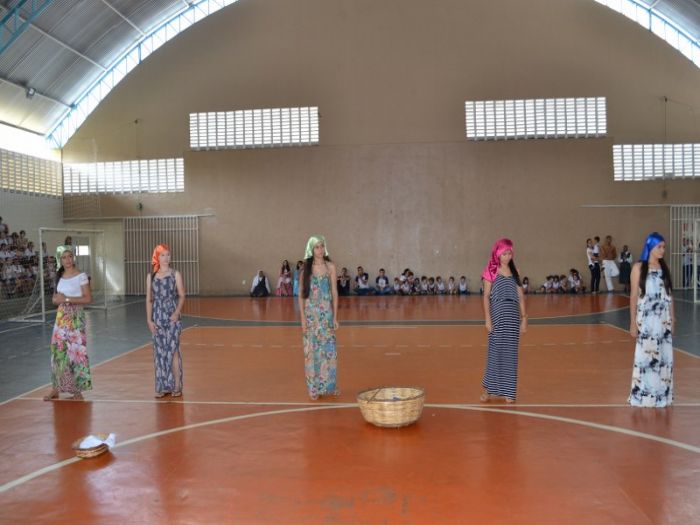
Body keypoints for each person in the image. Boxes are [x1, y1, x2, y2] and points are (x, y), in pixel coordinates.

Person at [629, 232, 674, 408]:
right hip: (647, 321)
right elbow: (634, 296)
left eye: (664, 247)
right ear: (650, 247)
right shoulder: (639, 268)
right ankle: (645, 395)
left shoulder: (664, 268)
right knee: (646, 358)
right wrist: (633, 322)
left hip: (664, 321)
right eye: (659, 247)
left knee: (663, 358)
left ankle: (662, 395)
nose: (662, 250)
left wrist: (673, 318)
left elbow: (669, 295)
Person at [480, 238, 527, 404]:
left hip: (512, 317)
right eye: (504, 254)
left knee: (510, 355)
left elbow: (520, 296)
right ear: (498, 254)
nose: (507, 257)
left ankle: (509, 391)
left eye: (509, 253)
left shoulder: (515, 272)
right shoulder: (491, 271)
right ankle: (488, 391)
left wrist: (524, 318)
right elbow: (486, 297)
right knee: (495, 353)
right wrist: (487, 319)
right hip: (497, 315)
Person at [43, 245, 92, 401]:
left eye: (70, 256)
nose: (67, 260)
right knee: (58, 352)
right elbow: (55, 299)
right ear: (60, 260)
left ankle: (77, 391)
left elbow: (87, 298)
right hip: (61, 318)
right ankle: (56, 388)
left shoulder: (81, 276)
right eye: (64, 257)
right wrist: (58, 300)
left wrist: (67, 299)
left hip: (75, 318)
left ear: (73, 257)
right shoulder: (59, 276)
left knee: (75, 352)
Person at [298, 235, 339, 400]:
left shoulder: (331, 267)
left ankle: (329, 386)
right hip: (311, 316)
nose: (320, 250)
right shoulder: (305, 270)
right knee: (312, 352)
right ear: (311, 249)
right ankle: (313, 388)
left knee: (328, 351)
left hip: (326, 315)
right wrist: (302, 319)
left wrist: (335, 317)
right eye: (317, 247)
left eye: (322, 246)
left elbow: (334, 292)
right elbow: (301, 295)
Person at [146, 244, 185, 398]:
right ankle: (163, 386)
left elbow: (182, 295)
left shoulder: (175, 274)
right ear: (157, 257)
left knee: (173, 350)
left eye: (168, 254)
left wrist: (177, 312)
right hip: (157, 317)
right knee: (160, 352)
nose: (166, 258)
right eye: (162, 255)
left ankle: (177, 384)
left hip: (172, 317)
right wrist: (149, 320)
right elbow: (149, 300)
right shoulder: (151, 276)